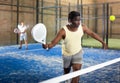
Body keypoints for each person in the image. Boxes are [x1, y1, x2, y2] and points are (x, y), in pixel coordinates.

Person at [42, 11, 108, 83]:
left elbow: (92, 34)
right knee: (67, 71)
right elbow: (53, 43)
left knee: (76, 72)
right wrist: (47, 46)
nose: (78, 22)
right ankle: (66, 78)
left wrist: (102, 42)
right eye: (76, 20)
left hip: (78, 52)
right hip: (67, 54)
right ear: (69, 20)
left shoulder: (83, 27)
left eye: (79, 20)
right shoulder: (63, 31)